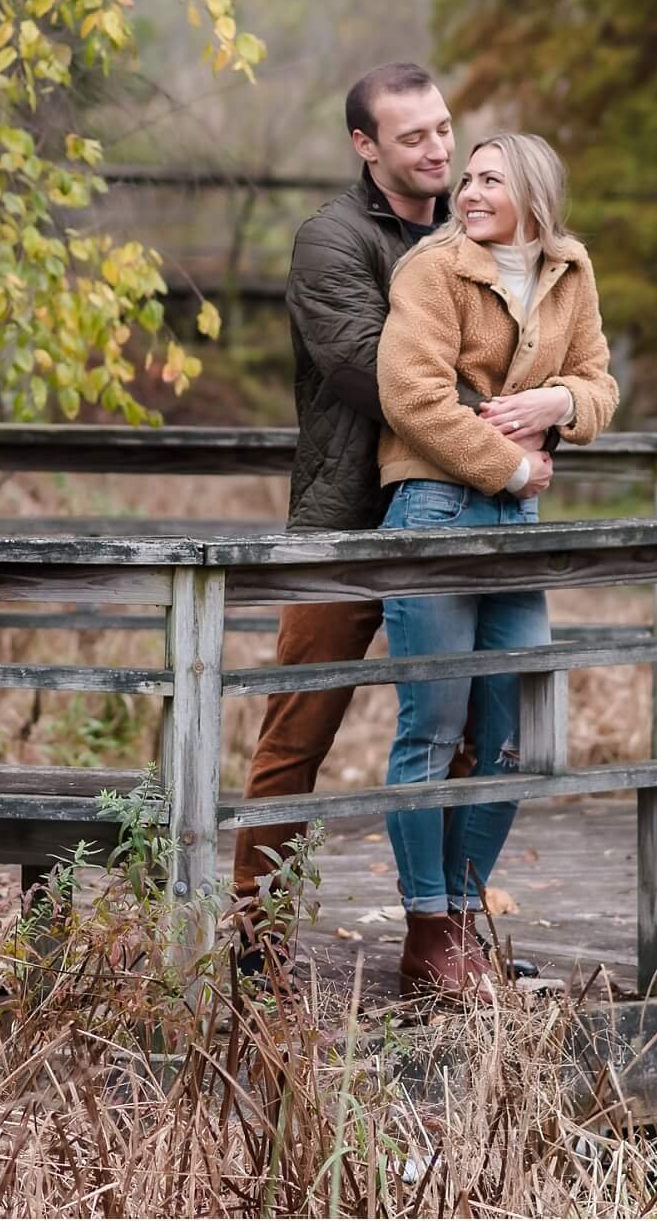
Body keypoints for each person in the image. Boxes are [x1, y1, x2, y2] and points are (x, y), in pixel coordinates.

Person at [230, 64, 553, 944]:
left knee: (470, 732)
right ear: (365, 146)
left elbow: (542, 345)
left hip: (459, 512)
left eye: (445, 128)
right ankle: (255, 945)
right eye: (413, 136)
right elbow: (381, 372)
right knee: (296, 736)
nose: (440, 149)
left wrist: (550, 403)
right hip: (347, 522)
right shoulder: (329, 241)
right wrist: (508, 428)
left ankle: (444, 937)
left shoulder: (477, 231)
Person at [373, 131, 620, 996]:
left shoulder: (569, 271)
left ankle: (465, 921)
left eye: (489, 180)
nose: (469, 191)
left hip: (516, 525)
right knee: (432, 731)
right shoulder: (434, 270)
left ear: (534, 194)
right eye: (466, 178)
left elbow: (600, 382)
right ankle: (429, 932)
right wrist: (513, 463)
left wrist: (561, 403)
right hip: (435, 508)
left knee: (511, 734)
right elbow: (410, 396)